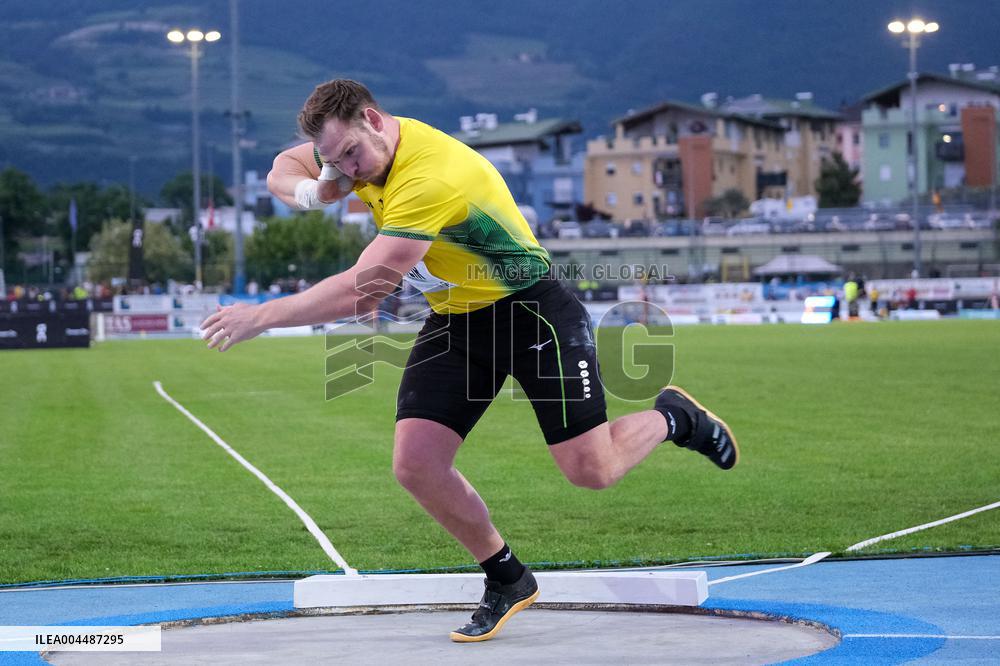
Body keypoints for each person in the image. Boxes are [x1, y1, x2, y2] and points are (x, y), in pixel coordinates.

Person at [199, 79, 739, 643]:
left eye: (352, 155)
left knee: (592, 470)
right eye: (333, 160)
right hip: (456, 317)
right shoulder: (353, 151)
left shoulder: (429, 178)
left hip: (532, 312)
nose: (348, 171)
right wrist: (315, 190)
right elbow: (282, 166)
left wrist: (261, 316)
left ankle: (676, 417)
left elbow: (363, 291)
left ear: (374, 119)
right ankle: (506, 578)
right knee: (416, 464)